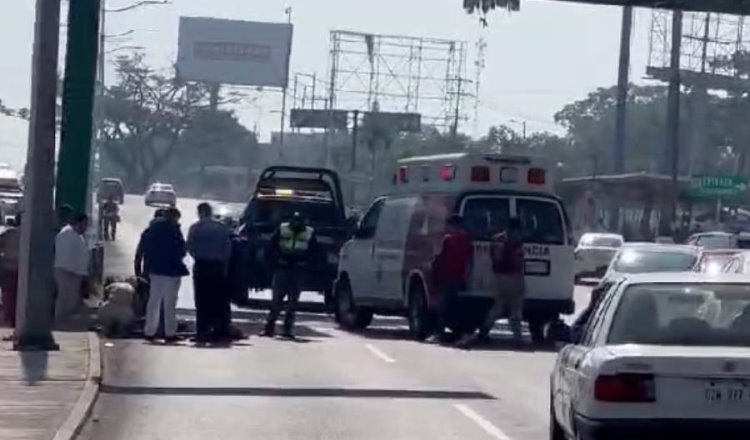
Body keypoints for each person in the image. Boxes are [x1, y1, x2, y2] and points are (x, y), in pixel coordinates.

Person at [260, 212, 319, 339]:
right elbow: (270, 248)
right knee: (276, 301)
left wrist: (307, 265)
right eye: (295, 220)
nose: (297, 223)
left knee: (293, 303)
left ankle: (287, 329)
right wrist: (275, 262)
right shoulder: (282, 229)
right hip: (282, 268)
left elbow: (315, 252)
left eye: (300, 221)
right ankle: (269, 328)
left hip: (298, 270)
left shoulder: (309, 232)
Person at [475, 217, 526, 346]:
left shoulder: (497, 239)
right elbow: (518, 259)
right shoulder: (517, 240)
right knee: (515, 308)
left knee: (498, 307)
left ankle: (484, 330)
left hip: (498, 277)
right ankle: (517, 337)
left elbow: (494, 258)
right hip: (513, 276)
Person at [140, 208, 188, 342]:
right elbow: (181, 249)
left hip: (155, 270)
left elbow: (145, 250)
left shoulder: (152, 229)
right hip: (171, 270)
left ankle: (149, 331)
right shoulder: (174, 229)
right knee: (170, 302)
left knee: (153, 300)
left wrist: (144, 269)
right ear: (174, 217)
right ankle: (170, 333)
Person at [187, 203, 233, 343]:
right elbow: (227, 249)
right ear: (211, 212)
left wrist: (198, 256)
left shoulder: (195, 228)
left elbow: (190, 247)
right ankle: (218, 330)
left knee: (201, 300)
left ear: (200, 213)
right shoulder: (221, 228)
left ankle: (202, 331)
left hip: (202, 266)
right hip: (218, 267)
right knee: (217, 299)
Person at [429, 214, 473, 343]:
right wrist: (467, 277)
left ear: (453, 225)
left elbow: (440, 257)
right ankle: (460, 334)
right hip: (459, 278)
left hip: (446, 277)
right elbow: (469, 262)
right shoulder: (467, 241)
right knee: (457, 308)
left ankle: (440, 334)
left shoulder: (448, 240)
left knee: (442, 308)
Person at [54, 214, 90, 326]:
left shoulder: (76, 235)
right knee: (65, 297)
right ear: (78, 223)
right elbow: (66, 256)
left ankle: (65, 320)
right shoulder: (67, 234)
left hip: (74, 272)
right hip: (67, 271)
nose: (85, 228)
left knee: (71, 298)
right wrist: (76, 272)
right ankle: (60, 321)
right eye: (84, 224)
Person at [0, 214, 21, 327]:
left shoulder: (8, 233)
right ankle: (15, 320)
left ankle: (8, 319)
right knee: (18, 296)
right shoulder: (27, 234)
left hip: (8, 267)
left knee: (8, 296)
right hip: (22, 270)